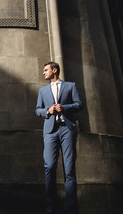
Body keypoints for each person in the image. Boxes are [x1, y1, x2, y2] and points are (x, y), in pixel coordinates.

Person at [35, 62, 83, 214]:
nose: (43, 73)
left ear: (54, 70)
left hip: (67, 129)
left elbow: (79, 104)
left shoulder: (70, 86)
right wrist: (48, 111)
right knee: (49, 166)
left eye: (46, 70)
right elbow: (37, 110)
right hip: (50, 131)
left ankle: (71, 207)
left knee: (69, 168)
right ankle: (51, 206)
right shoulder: (42, 91)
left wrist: (65, 107)